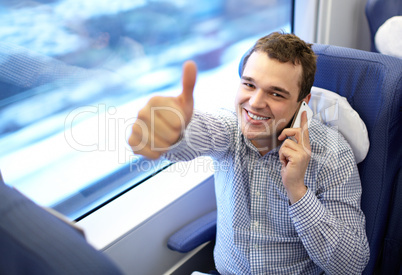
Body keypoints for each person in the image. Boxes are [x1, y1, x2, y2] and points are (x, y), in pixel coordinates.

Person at [128, 32, 370, 274]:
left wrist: (298, 191)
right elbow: (201, 131)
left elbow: (351, 266)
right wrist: (173, 130)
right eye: (249, 84)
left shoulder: (332, 153)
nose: (254, 103)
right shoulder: (231, 127)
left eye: (276, 93)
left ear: (302, 101)